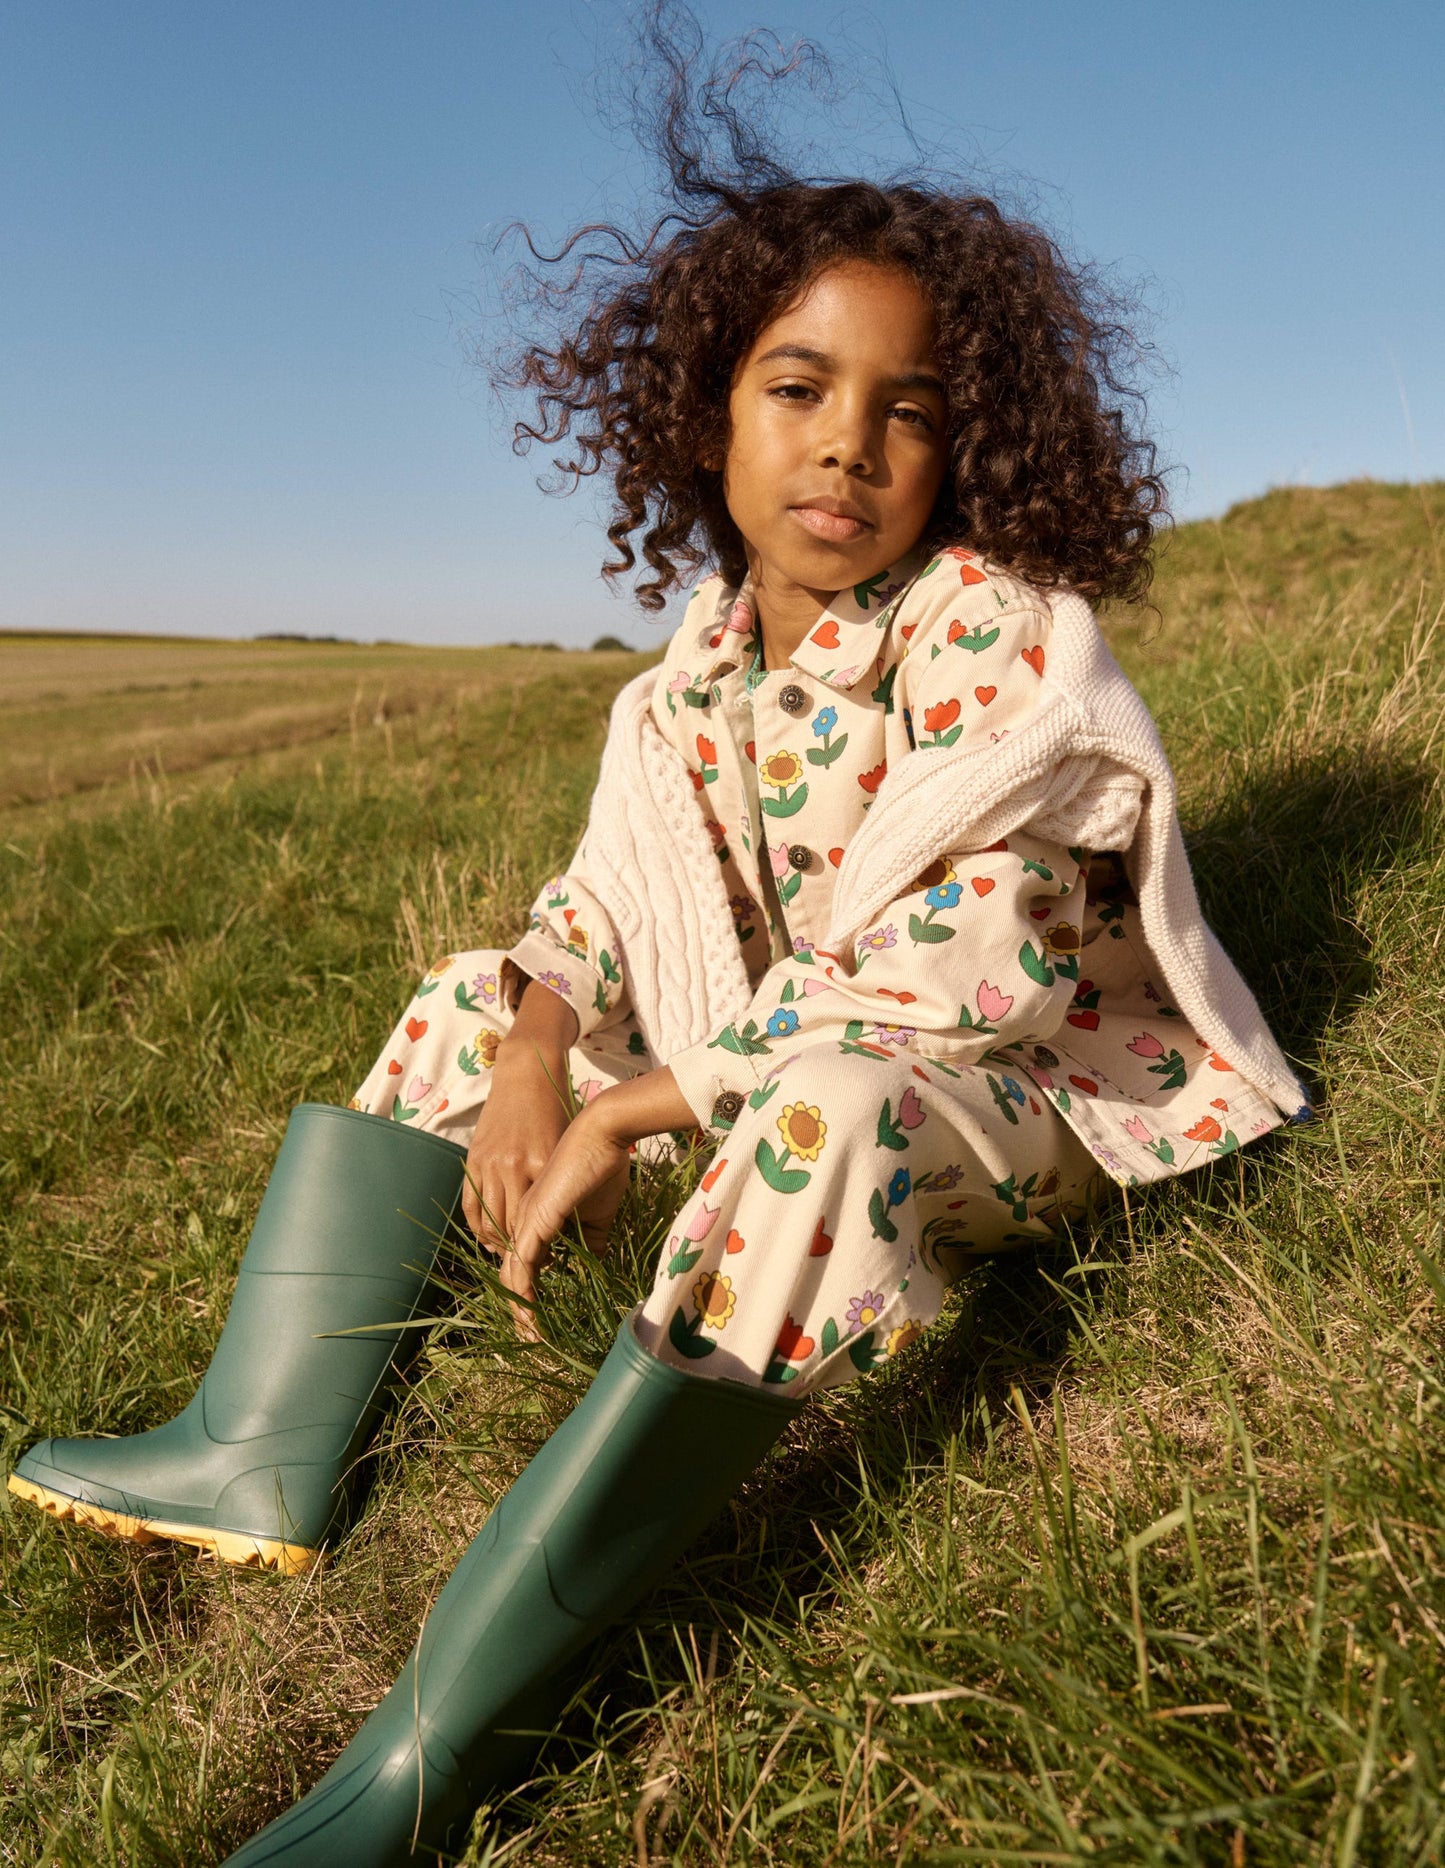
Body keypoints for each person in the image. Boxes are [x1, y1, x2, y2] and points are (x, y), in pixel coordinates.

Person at [7, 81, 1308, 1868]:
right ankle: (260, 1447)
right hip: (765, 1062)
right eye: (796, 389)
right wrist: (543, 1043)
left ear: (962, 453)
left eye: (901, 412)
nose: (844, 447)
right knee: (475, 990)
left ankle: (429, 1746)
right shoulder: (680, 678)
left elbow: (963, 965)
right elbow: (604, 900)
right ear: (705, 418)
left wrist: (641, 1102)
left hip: (1011, 1096)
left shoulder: (1002, 642)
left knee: (824, 1103)